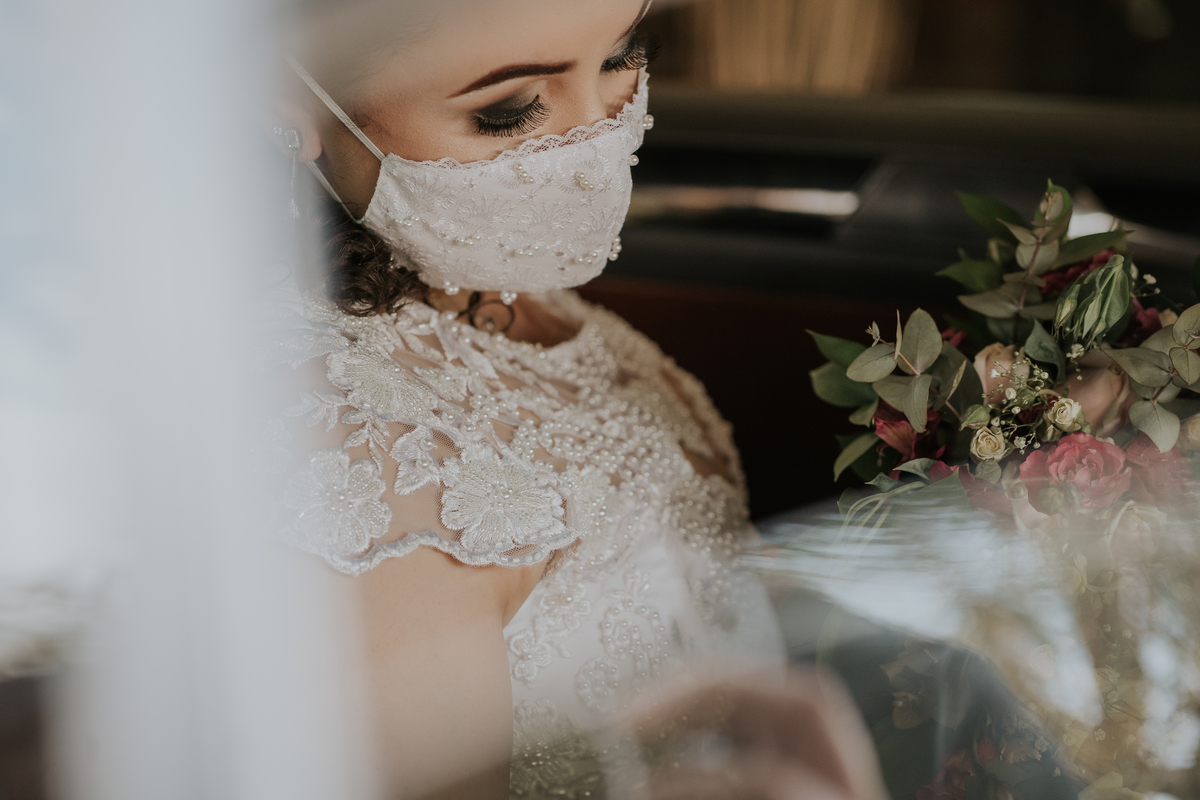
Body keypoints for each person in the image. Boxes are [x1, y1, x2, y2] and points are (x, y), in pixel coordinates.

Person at [269, 1, 886, 797]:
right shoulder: (362, 458)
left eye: (623, 52)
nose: (598, 135)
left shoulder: (495, 288)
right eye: (510, 109)